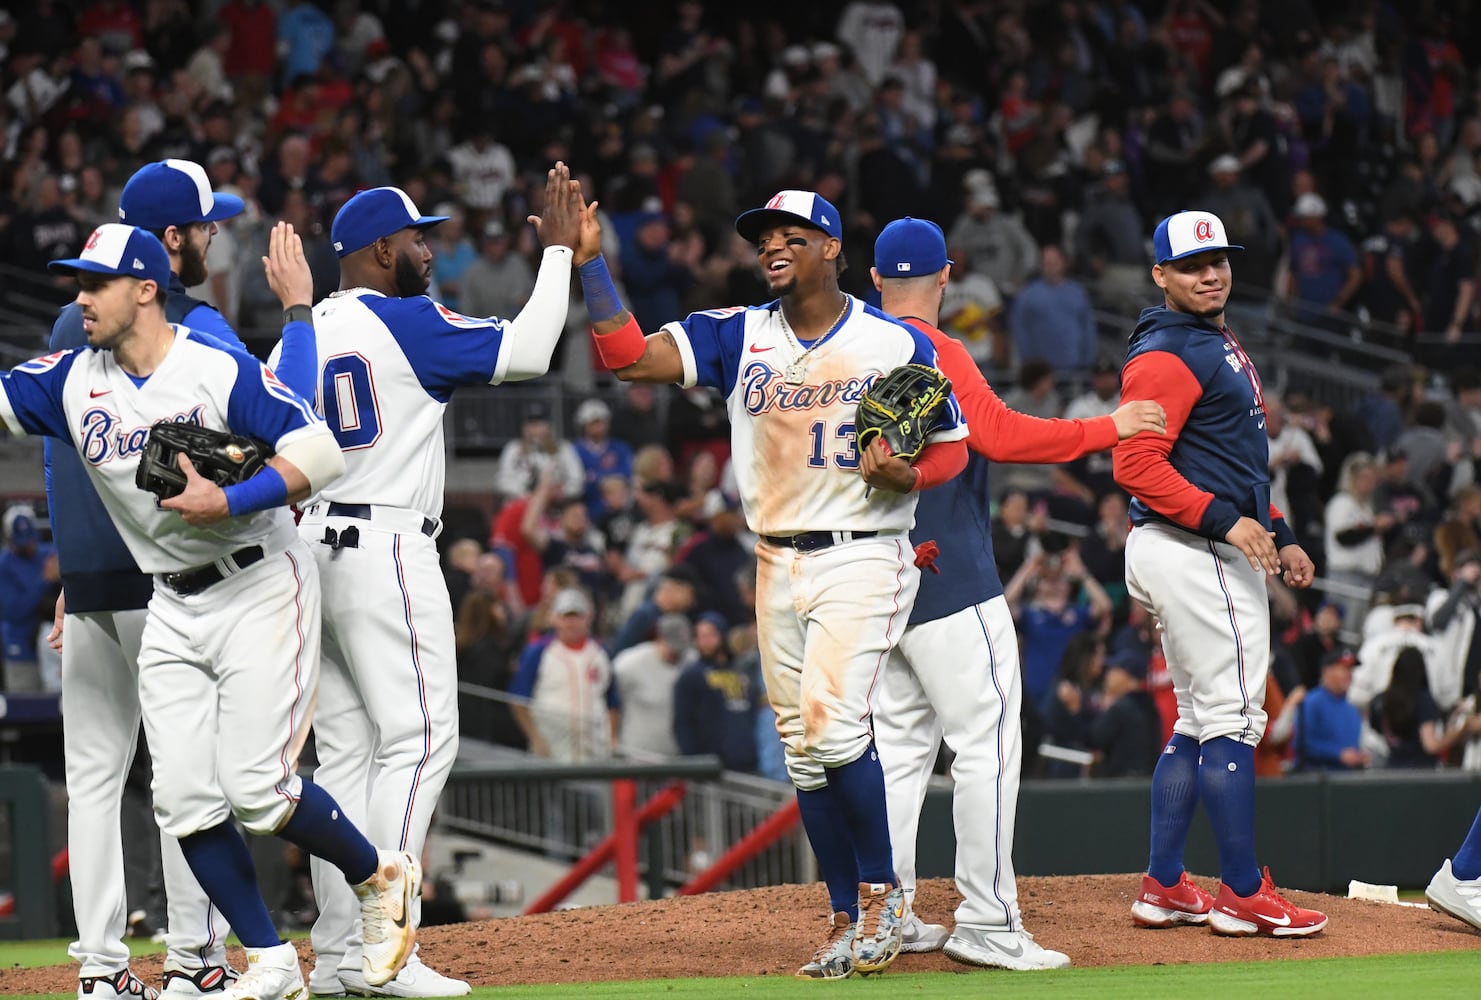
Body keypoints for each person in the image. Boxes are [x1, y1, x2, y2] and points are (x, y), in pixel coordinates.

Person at [1, 225, 416, 1000]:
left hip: (259, 580)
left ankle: (381, 875)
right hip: (169, 599)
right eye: (77, 282)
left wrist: (229, 496)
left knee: (257, 789)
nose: (80, 298)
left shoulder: (213, 368)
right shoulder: (69, 379)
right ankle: (269, 961)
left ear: (147, 289)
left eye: (97, 283)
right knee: (186, 799)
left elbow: (319, 454)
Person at [582, 189, 970, 978]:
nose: (773, 247)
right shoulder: (736, 334)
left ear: (832, 249)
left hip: (862, 549)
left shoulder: (890, 340)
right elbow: (626, 357)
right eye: (763, 238)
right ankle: (840, 914)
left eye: (792, 235)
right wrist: (590, 261)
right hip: (774, 556)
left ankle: (882, 897)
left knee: (832, 730)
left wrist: (909, 471)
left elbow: (953, 447)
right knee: (800, 753)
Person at [282, 166, 584, 998]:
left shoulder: (300, 332)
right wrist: (556, 254)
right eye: (418, 238)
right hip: (384, 547)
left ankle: (341, 956)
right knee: (419, 741)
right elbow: (527, 352)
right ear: (382, 249)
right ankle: (390, 952)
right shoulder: (404, 319)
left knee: (343, 758)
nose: (427, 250)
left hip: (309, 547)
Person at [868, 216, 1166, 968]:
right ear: (947, 276)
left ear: (873, 279)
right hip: (950, 575)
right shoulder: (934, 347)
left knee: (900, 751)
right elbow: (999, 435)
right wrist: (1110, 426)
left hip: (874, 579)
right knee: (987, 742)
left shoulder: (845, 348)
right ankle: (988, 919)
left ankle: (888, 913)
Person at [45, 186, 314, 998]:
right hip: (173, 579)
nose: (211, 237)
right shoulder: (184, 325)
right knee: (184, 774)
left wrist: (72, 568)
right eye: (204, 225)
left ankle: (99, 969)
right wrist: (298, 313)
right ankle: (195, 959)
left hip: (93, 580)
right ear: (168, 242)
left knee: (95, 775)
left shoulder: (73, 326)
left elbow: (78, 457)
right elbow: (284, 416)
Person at [1114, 210, 1328, 937]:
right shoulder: (1170, 350)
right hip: (1193, 548)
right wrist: (1226, 522)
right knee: (1235, 721)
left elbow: (1232, 461)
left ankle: (1165, 883)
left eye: (1218, 261)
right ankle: (1242, 893)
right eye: (1191, 265)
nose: (1210, 274)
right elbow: (1134, 465)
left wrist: (1278, 531)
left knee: (1201, 718)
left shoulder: (1205, 337)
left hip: (1188, 545)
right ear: (1160, 275)